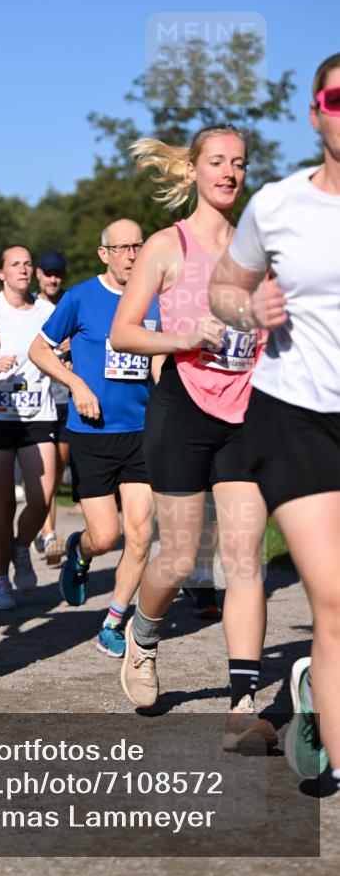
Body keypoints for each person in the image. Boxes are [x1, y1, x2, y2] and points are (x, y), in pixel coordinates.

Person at [110, 124, 277, 752]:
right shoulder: (166, 245)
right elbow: (125, 332)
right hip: (182, 410)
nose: (228, 173)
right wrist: (183, 337)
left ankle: (243, 704)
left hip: (245, 416)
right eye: (216, 162)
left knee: (243, 558)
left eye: (238, 163)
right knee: (179, 559)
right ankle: (144, 636)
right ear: (195, 171)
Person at [209, 53, 340, 788]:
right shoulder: (278, 204)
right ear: (316, 111)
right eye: (338, 97)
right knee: (333, 598)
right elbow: (227, 289)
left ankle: (308, 695)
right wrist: (248, 309)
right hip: (297, 415)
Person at [29, 220, 160, 656]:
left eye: (137, 246)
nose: (131, 255)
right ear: (104, 254)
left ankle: (114, 622)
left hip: (142, 431)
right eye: (121, 248)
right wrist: (77, 385)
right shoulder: (81, 297)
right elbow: (39, 349)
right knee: (105, 537)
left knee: (140, 535)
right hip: (93, 433)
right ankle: (78, 551)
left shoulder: (155, 298)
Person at [0, 245, 58, 610]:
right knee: (4, 503)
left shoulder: (49, 311)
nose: (23, 270)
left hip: (38, 414)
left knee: (41, 499)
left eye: (27, 264)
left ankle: (22, 548)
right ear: (1, 273)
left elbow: (62, 351)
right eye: (15, 264)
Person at [34, 250, 71, 564]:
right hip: (37, 402)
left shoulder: (70, 306)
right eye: (48, 273)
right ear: (38, 274)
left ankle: (43, 527)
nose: (53, 279)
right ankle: (47, 534)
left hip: (66, 398)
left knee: (56, 472)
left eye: (57, 273)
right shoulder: (31, 308)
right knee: (43, 472)